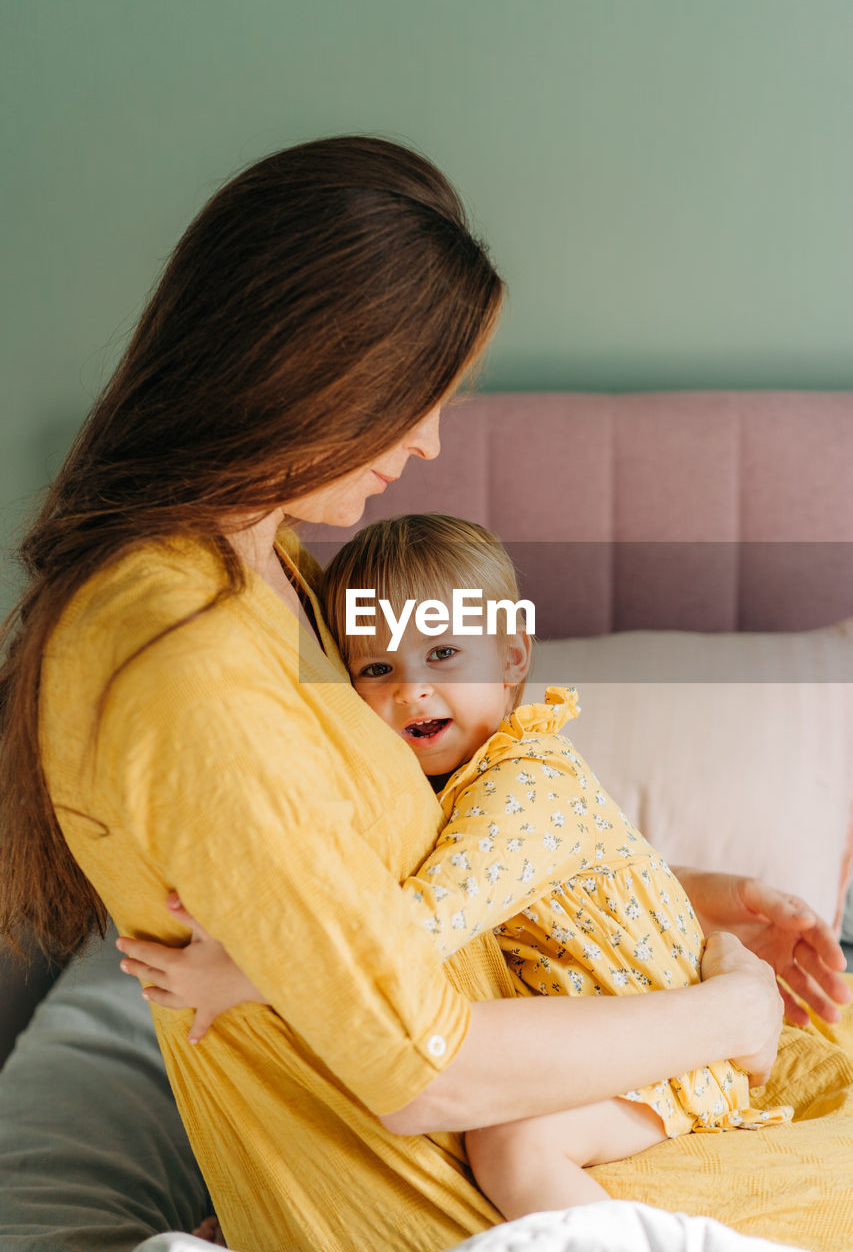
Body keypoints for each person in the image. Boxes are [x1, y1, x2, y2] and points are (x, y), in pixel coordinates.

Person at [0, 135, 847, 1252]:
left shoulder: (256, 566)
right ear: (310, 370)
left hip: (533, 1110)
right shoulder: (185, 658)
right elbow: (419, 1066)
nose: (431, 439)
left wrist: (686, 896)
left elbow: (406, 870)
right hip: (462, 1194)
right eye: (416, 398)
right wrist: (726, 1010)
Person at [119, 513, 794, 1224]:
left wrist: (252, 971)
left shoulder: (527, 784)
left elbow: (417, 930)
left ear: (511, 658)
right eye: (377, 669)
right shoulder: (440, 786)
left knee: (513, 1143)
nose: (411, 691)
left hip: (665, 1057)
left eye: (442, 653)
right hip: (578, 1033)